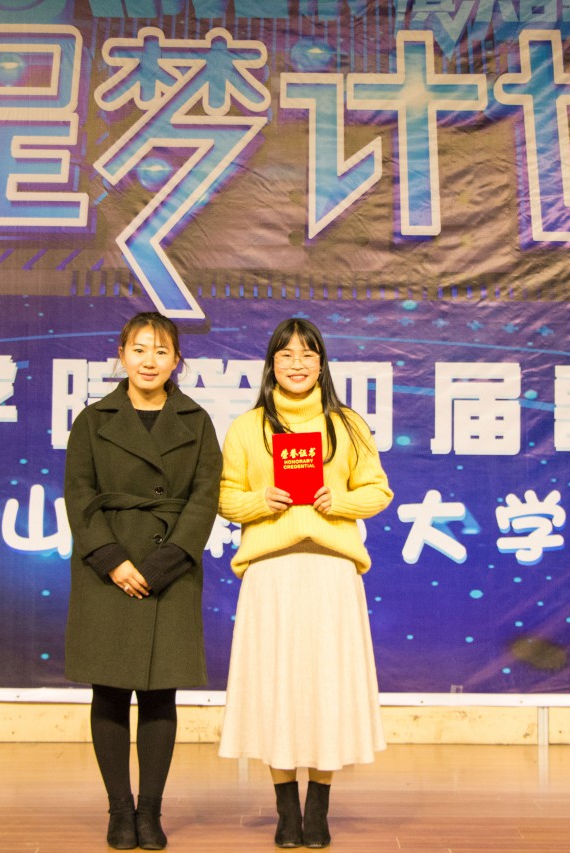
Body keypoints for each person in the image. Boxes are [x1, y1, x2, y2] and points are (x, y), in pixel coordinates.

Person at [218, 317, 393, 848]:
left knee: (325, 689)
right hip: (270, 572)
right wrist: (259, 501)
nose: (297, 364)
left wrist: (340, 501)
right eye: (286, 354)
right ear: (271, 365)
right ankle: (285, 810)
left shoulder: (347, 425)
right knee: (275, 687)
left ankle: (318, 808)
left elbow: (379, 491)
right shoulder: (248, 428)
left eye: (308, 354)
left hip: (330, 571)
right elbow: (223, 496)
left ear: (322, 364)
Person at [64, 311, 221, 850]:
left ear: (177, 360)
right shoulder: (93, 420)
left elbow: (205, 498)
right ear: (121, 354)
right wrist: (112, 559)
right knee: (108, 691)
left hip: (169, 571)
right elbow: (79, 495)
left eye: (161, 351)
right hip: (105, 571)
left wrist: (163, 564)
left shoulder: (196, 420)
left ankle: (149, 811)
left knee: (159, 694)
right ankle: (119, 810)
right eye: (139, 349)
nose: (149, 361)